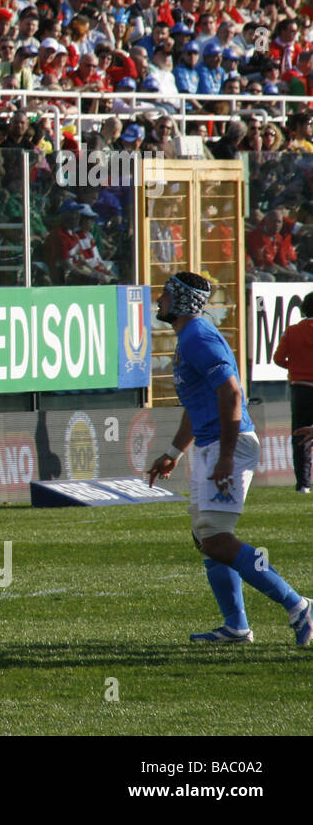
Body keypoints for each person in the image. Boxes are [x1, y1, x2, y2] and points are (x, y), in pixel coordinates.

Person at [147, 272, 312, 646]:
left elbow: (232, 394)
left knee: (217, 539)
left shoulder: (198, 337)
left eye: (166, 296)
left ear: (183, 300)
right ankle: (236, 626)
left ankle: (299, 605)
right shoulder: (190, 337)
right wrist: (174, 452)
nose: (159, 301)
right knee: (205, 538)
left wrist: (224, 456)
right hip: (214, 444)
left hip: (229, 445)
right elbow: (199, 403)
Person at [273, 295, 313, 493]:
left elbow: (279, 358)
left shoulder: (292, 331)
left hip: (301, 388)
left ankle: (303, 484)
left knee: (300, 435)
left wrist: (294, 367)